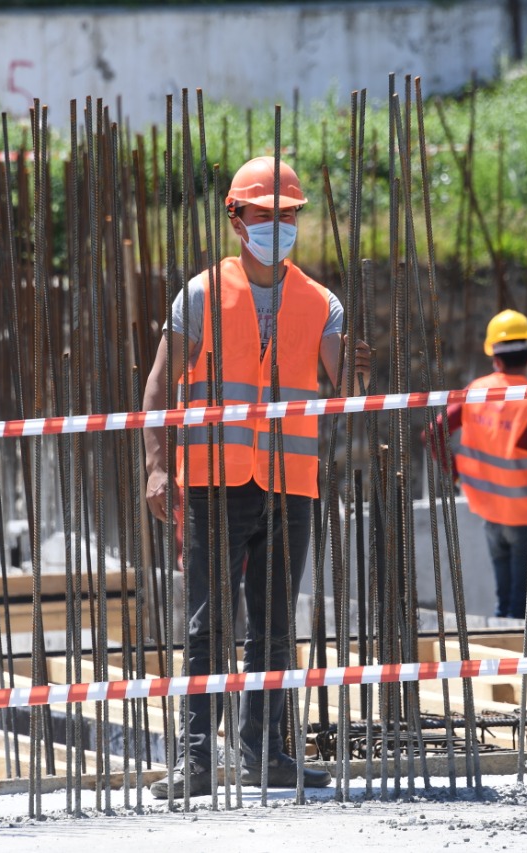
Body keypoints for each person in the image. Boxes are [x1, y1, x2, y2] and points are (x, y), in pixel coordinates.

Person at [141, 156, 370, 798]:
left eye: (288, 214)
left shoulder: (321, 302)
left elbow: (344, 389)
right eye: (265, 214)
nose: (278, 224)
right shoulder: (202, 292)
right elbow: (159, 385)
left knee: (273, 626)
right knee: (209, 623)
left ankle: (265, 755)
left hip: (290, 481)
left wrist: (361, 372)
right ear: (237, 219)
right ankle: (194, 763)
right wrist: (159, 466)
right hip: (217, 478)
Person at [427, 309, 527, 620]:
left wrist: (455, 475)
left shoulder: (476, 390)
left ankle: (504, 658)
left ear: (494, 356)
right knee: (524, 608)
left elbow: (434, 433)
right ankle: (522, 666)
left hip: (491, 511)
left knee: (505, 603)